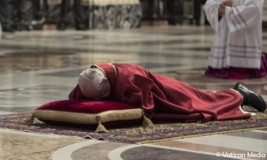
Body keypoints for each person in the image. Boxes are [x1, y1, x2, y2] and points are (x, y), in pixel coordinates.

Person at [69, 63, 266, 122]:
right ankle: (234, 94)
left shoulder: (128, 76)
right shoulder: (90, 77)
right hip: (164, 91)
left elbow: (147, 106)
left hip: (168, 93)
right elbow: (77, 96)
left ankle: (240, 94)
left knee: (198, 104)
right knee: (202, 98)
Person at [204, 0, 267, 79]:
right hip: (225, 29)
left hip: (244, 34)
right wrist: (218, 9)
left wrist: (228, 11)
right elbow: (209, 5)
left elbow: (253, 9)